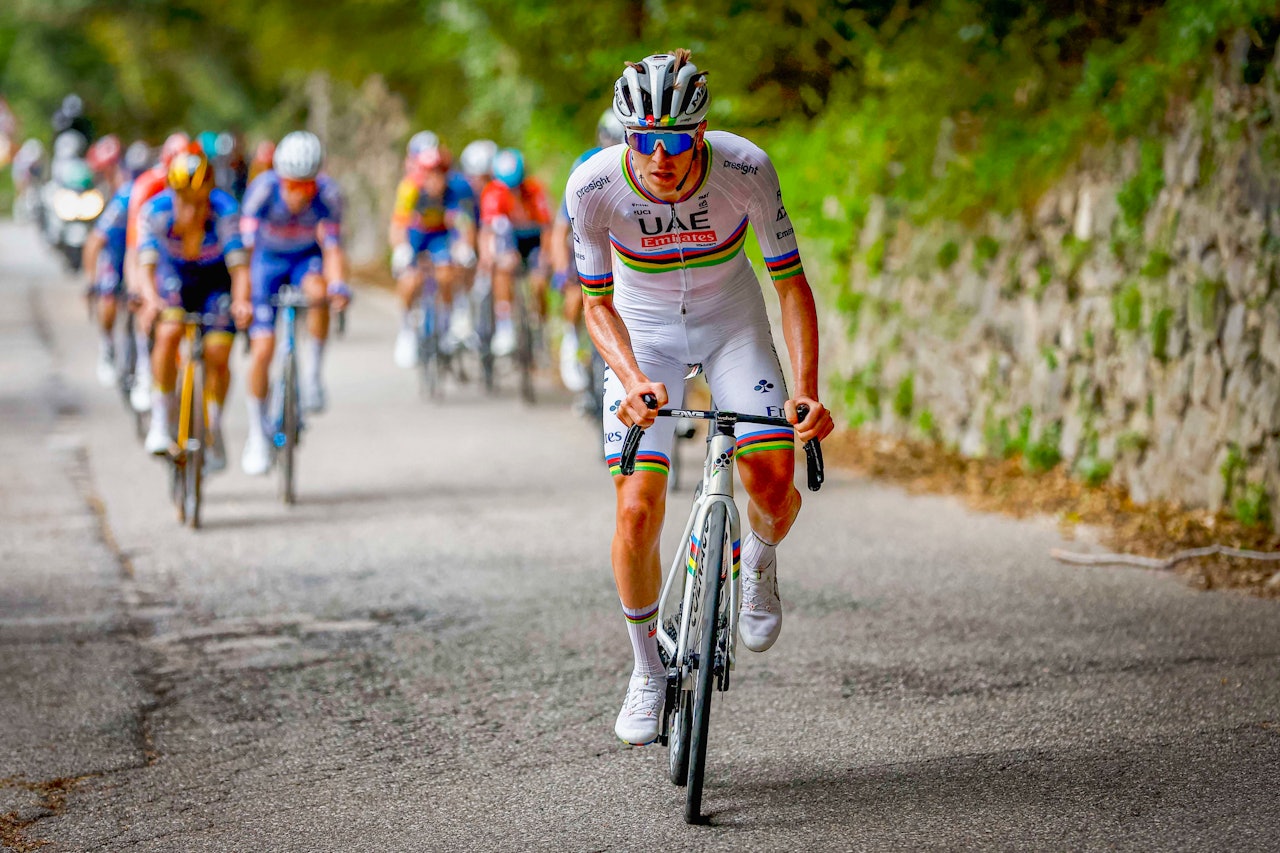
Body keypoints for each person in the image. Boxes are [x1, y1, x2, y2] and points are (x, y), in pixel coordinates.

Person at [565, 50, 836, 745]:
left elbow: (790, 287)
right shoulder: (594, 186)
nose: (659, 156)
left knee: (774, 483)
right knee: (635, 509)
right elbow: (595, 305)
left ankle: (759, 558)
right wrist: (631, 379)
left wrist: (806, 391)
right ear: (626, 137)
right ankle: (647, 670)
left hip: (730, 325)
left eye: (676, 140)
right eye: (644, 140)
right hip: (644, 337)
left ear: (702, 131)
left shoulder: (744, 168)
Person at [237, 130, 349, 475]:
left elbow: (332, 248)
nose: (298, 193)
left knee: (319, 292)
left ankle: (313, 376)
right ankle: (257, 433)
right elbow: (245, 250)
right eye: (291, 184)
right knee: (263, 349)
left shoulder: (329, 195)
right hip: (266, 263)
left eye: (306, 185)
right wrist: (243, 298)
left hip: (304, 260)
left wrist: (338, 285)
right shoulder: (261, 191)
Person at [137, 145, 247, 473]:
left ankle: (212, 422)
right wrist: (149, 299)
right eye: (183, 199)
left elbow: (240, 268)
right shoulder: (156, 211)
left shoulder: (225, 211)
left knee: (218, 353)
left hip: (215, 281)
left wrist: (242, 301)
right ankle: (160, 418)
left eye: (198, 200)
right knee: (169, 330)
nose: (191, 208)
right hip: (175, 276)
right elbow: (145, 267)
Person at [551, 110, 626, 399]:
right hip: (586, 238)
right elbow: (561, 228)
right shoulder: (585, 166)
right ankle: (571, 342)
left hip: (623, 242)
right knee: (574, 296)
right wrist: (561, 271)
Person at [389, 144, 476, 368]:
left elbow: (464, 223)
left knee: (447, 273)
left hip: (441, 236)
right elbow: (398, 225)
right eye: (429, 174)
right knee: (409, 280)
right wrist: (400, 248)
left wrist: (465, 246)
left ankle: (448, 322)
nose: (434, 180)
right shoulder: (410, 189)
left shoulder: (457, 188)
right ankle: (407, 328)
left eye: (439, 173)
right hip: (417, 237)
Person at [125, 132, 192, 413]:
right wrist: (137, 289)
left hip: (181, 253)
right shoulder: (148, 186)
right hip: (148, 247)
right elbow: (135, 246)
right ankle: (143, 369)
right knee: (146, 300)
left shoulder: (200, 184)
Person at [479, 148, 553, 357]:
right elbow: (488, 232)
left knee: (538, 282)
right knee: (502, 269)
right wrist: (489, 257)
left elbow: (547, 228)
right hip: (508, 238)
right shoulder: (493, 192)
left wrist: (545, 256)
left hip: (533, 239)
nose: (514, 192)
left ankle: (540, 325)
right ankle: (505, 325)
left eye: (517, 186)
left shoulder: (535, 191)